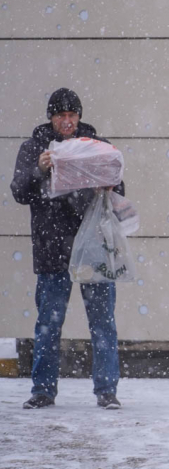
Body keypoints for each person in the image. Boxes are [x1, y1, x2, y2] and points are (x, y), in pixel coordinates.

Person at [11, 88, 125, 410]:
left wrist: (109, 185)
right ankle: (43, 391)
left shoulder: (95, 147)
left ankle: (107, 392)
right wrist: (39, 169)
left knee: (103, 321)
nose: (66, 121)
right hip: (52, 248)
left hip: (93, 246)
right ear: (51, 118)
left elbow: (119, 187)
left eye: (71, 115)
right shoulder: (35, 148)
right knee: (49, 322)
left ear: (79, 116)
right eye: (60, 115)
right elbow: (19, 191)